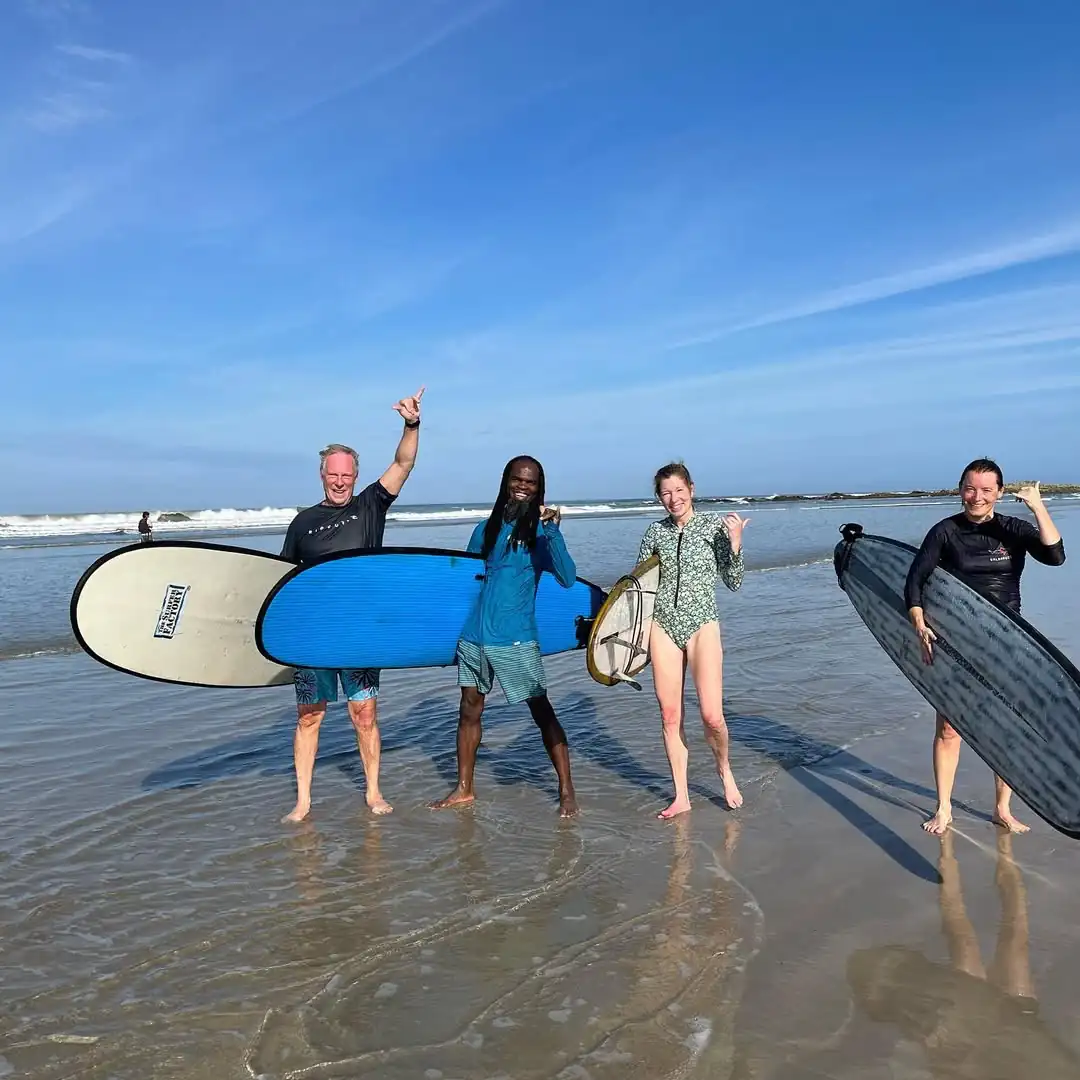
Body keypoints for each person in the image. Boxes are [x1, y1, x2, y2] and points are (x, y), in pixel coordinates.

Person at [279, 386, 425, 824]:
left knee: (364, 714)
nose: (340, 481)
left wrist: (412, 424)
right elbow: (282, 581)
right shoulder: (302, 522)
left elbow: (403, 464)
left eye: (347, 474)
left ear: (356, 476)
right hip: (313, 639)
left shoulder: (370, 506)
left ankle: (374, 791)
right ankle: (303, 801)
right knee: (309, 716)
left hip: (360, 633)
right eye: (333, 474)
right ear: (322, 474)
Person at [905, 458, 1065, 835]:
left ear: (999, 493)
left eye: (986, 490)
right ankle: (944, 808)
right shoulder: (945, 532)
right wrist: (918, 620)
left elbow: (1055, 556)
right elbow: (915, 580)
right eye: (970, 488)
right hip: (957, 641)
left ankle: (1002, 809)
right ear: (960, 489)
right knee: (949, 728)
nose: (977, 496)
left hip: (1007, 641)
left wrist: (1038, 506)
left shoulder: (1013, 529)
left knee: (1004, 727)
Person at [429, 455, 581, 817]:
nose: (522, 486)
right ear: (506, 482)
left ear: (539, 488)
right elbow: (465, 581)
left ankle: (566, 791)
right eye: (517, 479)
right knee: (468, 711)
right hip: (475, 636)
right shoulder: (485, 529)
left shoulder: (542, 534)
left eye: (530, 482)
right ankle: (464, 788)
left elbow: (568, 577)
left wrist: (554, 530)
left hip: (516, 638)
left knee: (541, 710)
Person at [637, 462, 749, 820]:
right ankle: (681, 795)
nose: (673, 499)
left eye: (679, 491)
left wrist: (735, 544)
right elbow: (640, 586)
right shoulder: (654, 532)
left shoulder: (713, 528)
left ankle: (724, 769)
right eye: (665, 493)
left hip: (702, 624)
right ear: (659, 497)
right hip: (663, 626)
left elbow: (733, 582)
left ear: (692, 489)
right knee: (670, 715)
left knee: (712, 716)